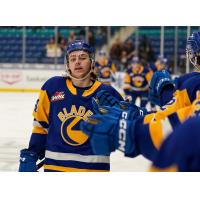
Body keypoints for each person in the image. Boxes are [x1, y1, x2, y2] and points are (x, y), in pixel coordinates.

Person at [80, 31, 200, 165]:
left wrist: (133, 132)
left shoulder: (192, 83)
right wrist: (139, 115)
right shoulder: (191, 81)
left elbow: (184, 129)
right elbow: (178, 115)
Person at [18, 40, 123, 172]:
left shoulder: (108, 94)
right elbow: (41, 126)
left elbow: (127, 130)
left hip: (94, 169)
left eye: (83, 58)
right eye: (72, 58)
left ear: (92, 62)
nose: (77, 62)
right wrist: (32, 153)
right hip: (56, 168)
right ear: (67, 64)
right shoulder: (52, 87)